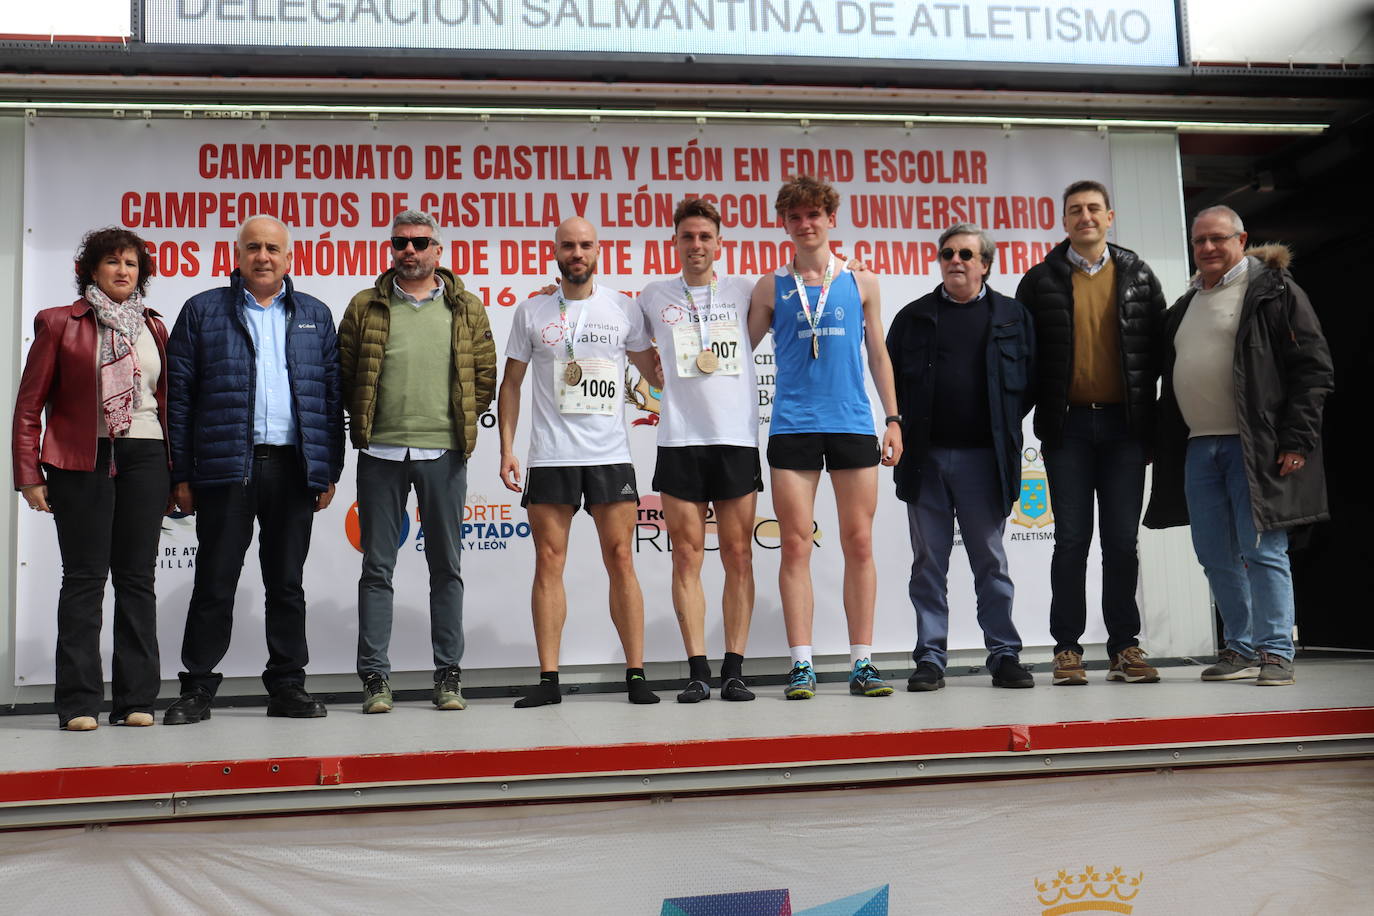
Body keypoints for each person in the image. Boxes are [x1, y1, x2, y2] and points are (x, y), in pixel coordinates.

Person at [162, 215, 344, 724]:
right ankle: (197, 688)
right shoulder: (202, 312)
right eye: (253, 248)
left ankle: (288, 685)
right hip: (224, 469)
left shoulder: (314, 314)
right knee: (215, 580)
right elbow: (179, 398)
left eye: (273, 249)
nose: (263, 257)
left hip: (292, 468)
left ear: (290, 258)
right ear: (237, 255)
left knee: (286, 582)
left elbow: (331, 399)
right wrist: (180, 473)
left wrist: (326, 468)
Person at [1144, 205, 1333, 686]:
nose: (1207, 248)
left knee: (1263, 550)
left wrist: (1297, 439)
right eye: (1199, 241)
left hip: (1257, 448)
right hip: (1199, 448)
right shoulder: (1185, 306)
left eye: (1218, 239)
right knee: (1213, 553)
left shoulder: (1274, 291)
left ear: (1242, 239)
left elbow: (1313, 370)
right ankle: (1241, 646)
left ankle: (1275, 651)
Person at [746, 175, 903, 700]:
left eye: (814, 214)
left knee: (858, 543)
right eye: (795, 216)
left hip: (854, 423)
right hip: (792, 426)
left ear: (831, 219)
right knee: (794, 544)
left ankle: (862, 662)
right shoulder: (771, 287)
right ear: (784, 224)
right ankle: (802, 664)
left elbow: (878, 355)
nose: (805, 224)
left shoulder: (862, 282)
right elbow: (732, 354)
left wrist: (894, 419)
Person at [498, 217, 662, 707]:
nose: (577, 252)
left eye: (585, 245)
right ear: (555, 252)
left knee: (622, 559)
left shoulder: (624, 308)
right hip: (550, 456)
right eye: (568, 245)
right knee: (549, 561)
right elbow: (511, 384)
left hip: (609, 454)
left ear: (598, 251)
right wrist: (507, 447)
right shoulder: (531, 310)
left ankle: (636, 674)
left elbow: (653, 371)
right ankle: (549, 679)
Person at [12, 228, 170, 731]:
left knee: (137, 579)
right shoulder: (59, 323)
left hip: (146, 453)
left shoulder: (154, 327)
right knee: (83, 580)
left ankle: (136, 699)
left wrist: (178, 473)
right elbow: (29, 406)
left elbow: (167, 403)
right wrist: (27, 473)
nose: (123, 271)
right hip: (81, 458)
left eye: (131, 263)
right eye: (112, 263)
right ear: (91, 271)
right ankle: (79, 703)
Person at [340, 210, 496, 714]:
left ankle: (449, 675)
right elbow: (345, 375)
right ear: (392, 248)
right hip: (381, 452)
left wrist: (458, 423)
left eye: (420, 242)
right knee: (376, 569)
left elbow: (485, 378)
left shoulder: (467, 308)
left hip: (444, 453)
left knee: (446, 568)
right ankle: (375, 679)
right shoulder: (365, 305)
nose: (410, 250)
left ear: (438, 250)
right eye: (401, 242)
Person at [1016, 180, 1167, 686]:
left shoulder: (1140, 276)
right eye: (1075, 210)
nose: (1085, 217)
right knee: (1072, 541)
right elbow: (1023, 358)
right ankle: (1067, 649)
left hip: (1127, 429)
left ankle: (1125, 646)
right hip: (1068, 428)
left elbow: (1159, 354)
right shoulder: (1040, 281)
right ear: (1064, 222)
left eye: (1094, 209)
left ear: (1110, 217)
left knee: (1122, 542)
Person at [887, 224, 1037, 691]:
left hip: (984, 461)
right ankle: (931, 659)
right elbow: (889, 378)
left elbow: (1028, 384)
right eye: (948, 253)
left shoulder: (1013, 316)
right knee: (928, 563)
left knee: (990, 562)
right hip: (925, 459)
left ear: (984, 264)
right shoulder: (912, 317)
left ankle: (1004, 654)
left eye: (966, 254)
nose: (956, 260)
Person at [636, 198, 759, 703]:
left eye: (705, 237)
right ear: (675, 242)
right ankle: (697, 671)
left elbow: (807, 278)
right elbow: (614, 330)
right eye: (687, 237)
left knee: (738, 555)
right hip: (680, 439)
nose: (696, 246)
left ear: (719, 242)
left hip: (735, 439)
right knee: (685, 556)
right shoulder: (652, 295)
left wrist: (853, 268)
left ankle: (733, 668)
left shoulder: (747, 290)